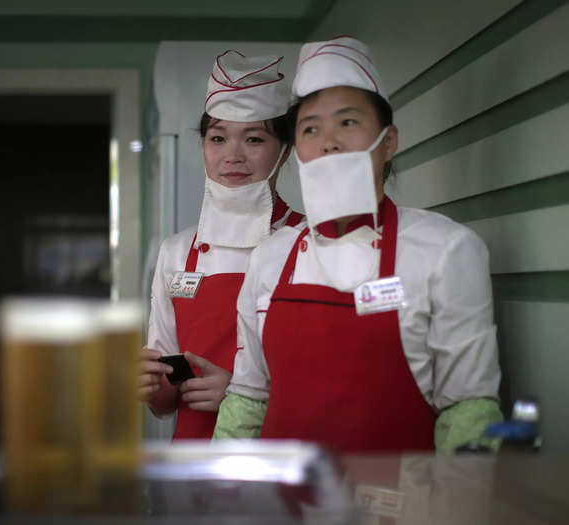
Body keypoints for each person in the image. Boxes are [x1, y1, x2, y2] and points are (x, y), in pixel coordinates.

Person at [214, 37, 503, 453]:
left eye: (347, 123)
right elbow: (248, 399)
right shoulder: (271, 256)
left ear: (388, 142)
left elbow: (469, 411)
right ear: (297, 151)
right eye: (310, 128)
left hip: (402, 508)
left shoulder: (447, 250)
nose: (328, 141)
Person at [139, 51, 304, 439]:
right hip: (193, 465)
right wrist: (150, 387)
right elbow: (165, 400)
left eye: (254, 139)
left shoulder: (308, 244)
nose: (232, 156)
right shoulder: (176, 253)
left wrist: (243, 395)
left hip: (276, 458)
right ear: (203, 147)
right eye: (218, 138)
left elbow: (331, 385)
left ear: (285, 150)